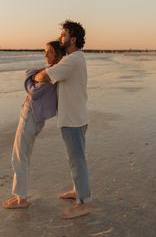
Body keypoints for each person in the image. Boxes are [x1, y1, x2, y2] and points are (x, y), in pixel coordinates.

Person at [34, 20, 91, 219]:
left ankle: (83, 203)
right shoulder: (77, 58)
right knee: (76, 159)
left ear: (73, 39)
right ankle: (78, 191)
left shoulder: (71, 60)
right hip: (78, 116)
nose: (60, 38)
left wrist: (35, 76)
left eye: (64, 35)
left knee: (77, 162)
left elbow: (44, 76)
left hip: (73, 119)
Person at [1, 41, 64, 209]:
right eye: (45, 51)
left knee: (20, 156)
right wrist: (32, 76)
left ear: (57, 55)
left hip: (31, 118)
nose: (46, 55)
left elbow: (34, 92)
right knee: (22, 156)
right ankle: (20, 195)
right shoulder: (50, 71)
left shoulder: (50, 73)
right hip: (31, 117)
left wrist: (28, 77)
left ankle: (22, 199)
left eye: (50, 52)